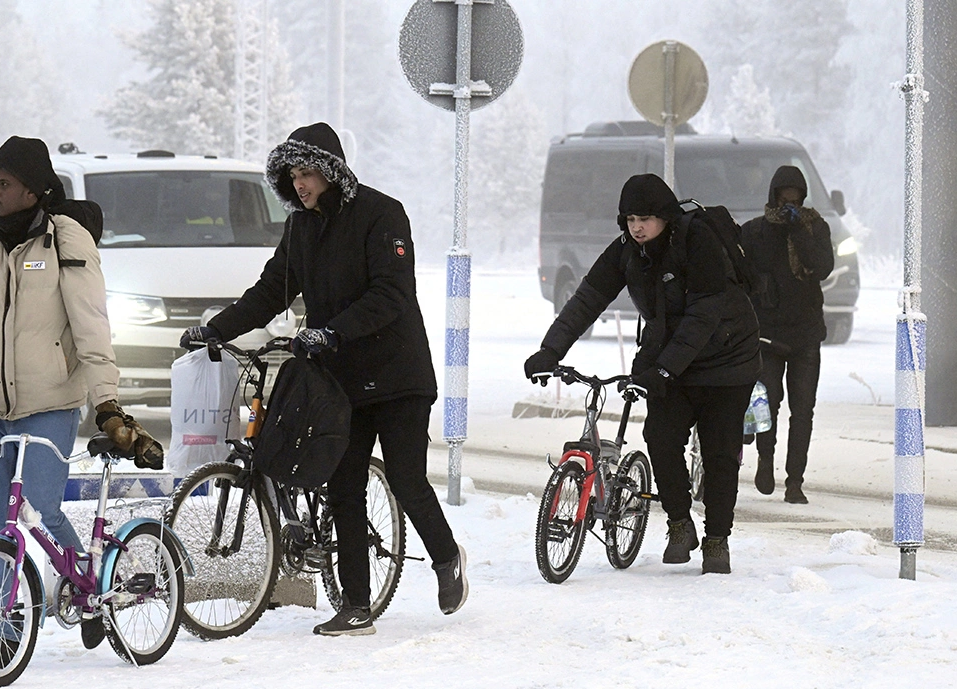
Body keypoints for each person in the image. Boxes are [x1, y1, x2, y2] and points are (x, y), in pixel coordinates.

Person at [181, 122, 467, 635]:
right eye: (292, 174)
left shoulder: (383, 215)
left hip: (398, 378)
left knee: (405, 479)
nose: (300, 183)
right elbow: (272, 291)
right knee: (344, 486)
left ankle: (446, 558)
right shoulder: (300, 227)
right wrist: (215, 330)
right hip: (340, 381)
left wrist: (332, 331)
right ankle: (357, 604)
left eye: (308, 171)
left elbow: (391, 293)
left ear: (332, 171)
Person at [0, 136, 163, 664]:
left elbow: (91, 328)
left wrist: (107, 405)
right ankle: (1, 626)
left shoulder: (67, 241)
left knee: (41, 504)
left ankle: (84, 575)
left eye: (5, 183)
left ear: (34, 189)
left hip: (52, 403)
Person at [523, 174, 760, 574]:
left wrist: (663, 368)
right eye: (630, 218)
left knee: (720, 453)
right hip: (669, 360)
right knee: (661, 437)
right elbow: (588, 297)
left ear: (665, 216)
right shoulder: (628, 252)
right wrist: (551, 349)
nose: (636, 226)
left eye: (645, 217)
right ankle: (680, 523)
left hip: (726, 360)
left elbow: (704, 314)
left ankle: (717, 540)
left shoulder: (697, 240)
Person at [739, 166, 833, 504]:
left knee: (803, 409)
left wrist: (799, 230)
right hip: (767, 333)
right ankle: (766, 459)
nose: (789, 205)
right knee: (766, 404)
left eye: (795, 199)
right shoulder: (755, 232)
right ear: (773, 197)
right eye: (783, 199)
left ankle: (795, 481)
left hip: (806, 333)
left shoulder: (815, 227)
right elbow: (745, 273)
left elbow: (822, 266)